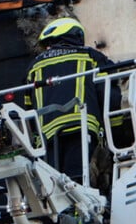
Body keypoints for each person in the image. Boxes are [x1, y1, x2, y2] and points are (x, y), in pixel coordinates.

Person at [25, 17, 114, 184]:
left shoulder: (34, 66)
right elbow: (108, 90)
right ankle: (77, 208)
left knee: (54, 183)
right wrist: (114, 128)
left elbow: (27, 106)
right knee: (79, 178)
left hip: (47, 136)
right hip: (81, 125)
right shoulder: (90, 56)